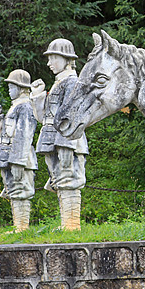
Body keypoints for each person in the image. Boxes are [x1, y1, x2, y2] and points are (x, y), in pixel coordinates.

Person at [30, 39, 88, 230]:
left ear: (66, 59)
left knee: (68, 180)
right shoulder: (59, 83)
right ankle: (67, 225)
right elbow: (44, 116)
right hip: (52, 139)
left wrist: (66, 144)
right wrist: (38, 96)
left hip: (65, 141)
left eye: (53, 58)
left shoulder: (72, 82)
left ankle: (72, 225)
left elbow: (70, 116)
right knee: (60, 181)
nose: (49, 63)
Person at [0, 69, 38, 232]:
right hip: (9, 155)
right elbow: (3, 135)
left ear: (21, 87)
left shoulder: (25, 106)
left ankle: (22, 227)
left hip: (20, 157)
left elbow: (24, 135)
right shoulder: (15, 107)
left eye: (12, 86)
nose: (9, 90)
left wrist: (18, 161)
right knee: (13, 191)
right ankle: (18, 226)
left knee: (21, 191)